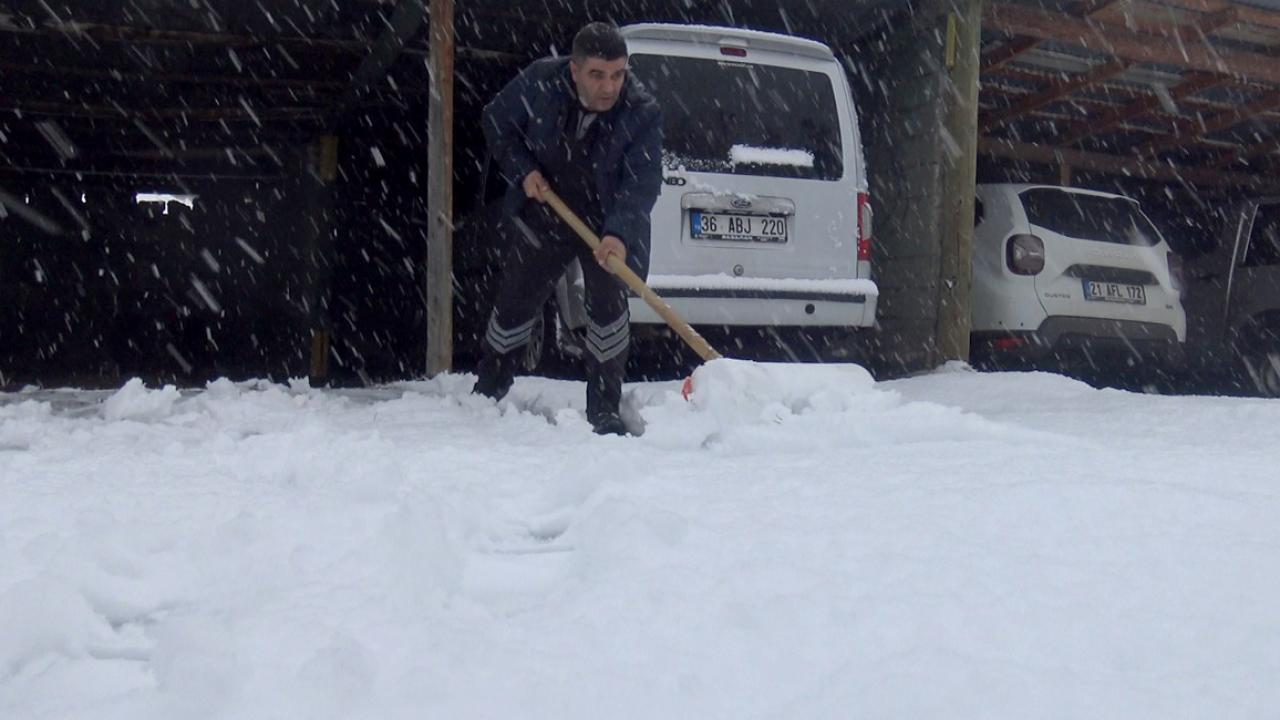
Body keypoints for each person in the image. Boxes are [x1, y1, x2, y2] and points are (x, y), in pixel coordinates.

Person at [472, 22, 663, 436]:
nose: (609, 87)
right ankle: (489, 389)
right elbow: (496, 122)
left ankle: (605, 410)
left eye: (618, 74)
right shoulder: (541, 82)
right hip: (547, 207)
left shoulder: (641, 111)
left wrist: (619, 234)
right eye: (597, 74)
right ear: (574, 70)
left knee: (608, 311)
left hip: (606, 220)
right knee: (516, 301)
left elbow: (642, 182)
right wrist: (523, 171)